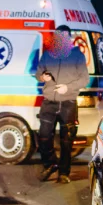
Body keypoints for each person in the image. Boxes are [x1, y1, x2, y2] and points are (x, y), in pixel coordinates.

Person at [36, 25, 89, 184]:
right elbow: (38, 73)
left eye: (64, 38)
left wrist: (68, 88)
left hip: (68, 103)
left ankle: (64, 173)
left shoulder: (77, 55)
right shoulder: (48, 54)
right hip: (49, 102)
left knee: (66, 140)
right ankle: (50, 164)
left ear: (69, 39)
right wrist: (42, 77)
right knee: (44, 135)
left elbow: (84, 79)